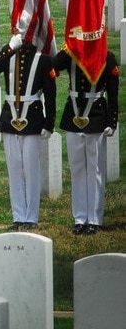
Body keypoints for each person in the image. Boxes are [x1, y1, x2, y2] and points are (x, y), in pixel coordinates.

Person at [0, 32, 56, 230]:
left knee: (31, 169)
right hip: (10, 118)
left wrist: (48, 124)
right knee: (14, 168)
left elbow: (50, 95)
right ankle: (18, 215)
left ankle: (31, 217)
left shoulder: (43, 60)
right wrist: (10, 48)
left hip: (32, 118)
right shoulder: (9, 54)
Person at [53, 48, 119, 234]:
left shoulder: (106, 55)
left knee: (95, 169)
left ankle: (95, 219)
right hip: (74, 113)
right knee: (77, 168)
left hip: (96, 114)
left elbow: (113, 92)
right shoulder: (71, 53)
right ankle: (80, 217)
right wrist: (69, 48)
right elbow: (54, 66)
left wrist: (112, 121)